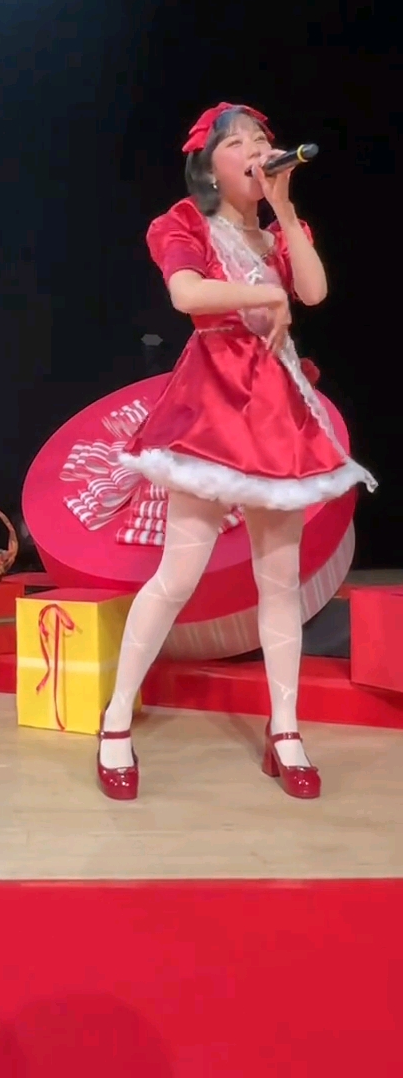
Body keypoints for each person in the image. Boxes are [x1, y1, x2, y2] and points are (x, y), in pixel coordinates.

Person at [97, 103, 376, 801]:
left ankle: (286, 730)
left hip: (275, 412)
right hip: (213, 406)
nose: (257, 150)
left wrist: (284, 211)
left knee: (279, 582)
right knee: (178, 576)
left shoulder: (282, 231)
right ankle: (115, 720)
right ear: (210, 165)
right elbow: (187, 295)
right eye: (240, 143)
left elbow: (312, 290)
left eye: (262, 140)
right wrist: (262, 296)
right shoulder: (184, 223)